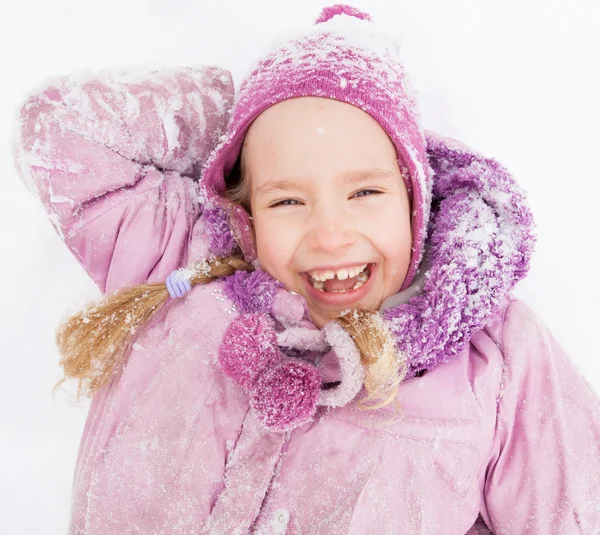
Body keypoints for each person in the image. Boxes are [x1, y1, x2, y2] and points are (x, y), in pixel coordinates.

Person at [12, 4, 600, 534]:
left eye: (365, 191)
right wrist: (254, 119)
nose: (330, 234)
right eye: (286, 200)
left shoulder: (496, 358)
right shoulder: (181, 258)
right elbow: (57, 128)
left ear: (415, 198)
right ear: (245, 215)